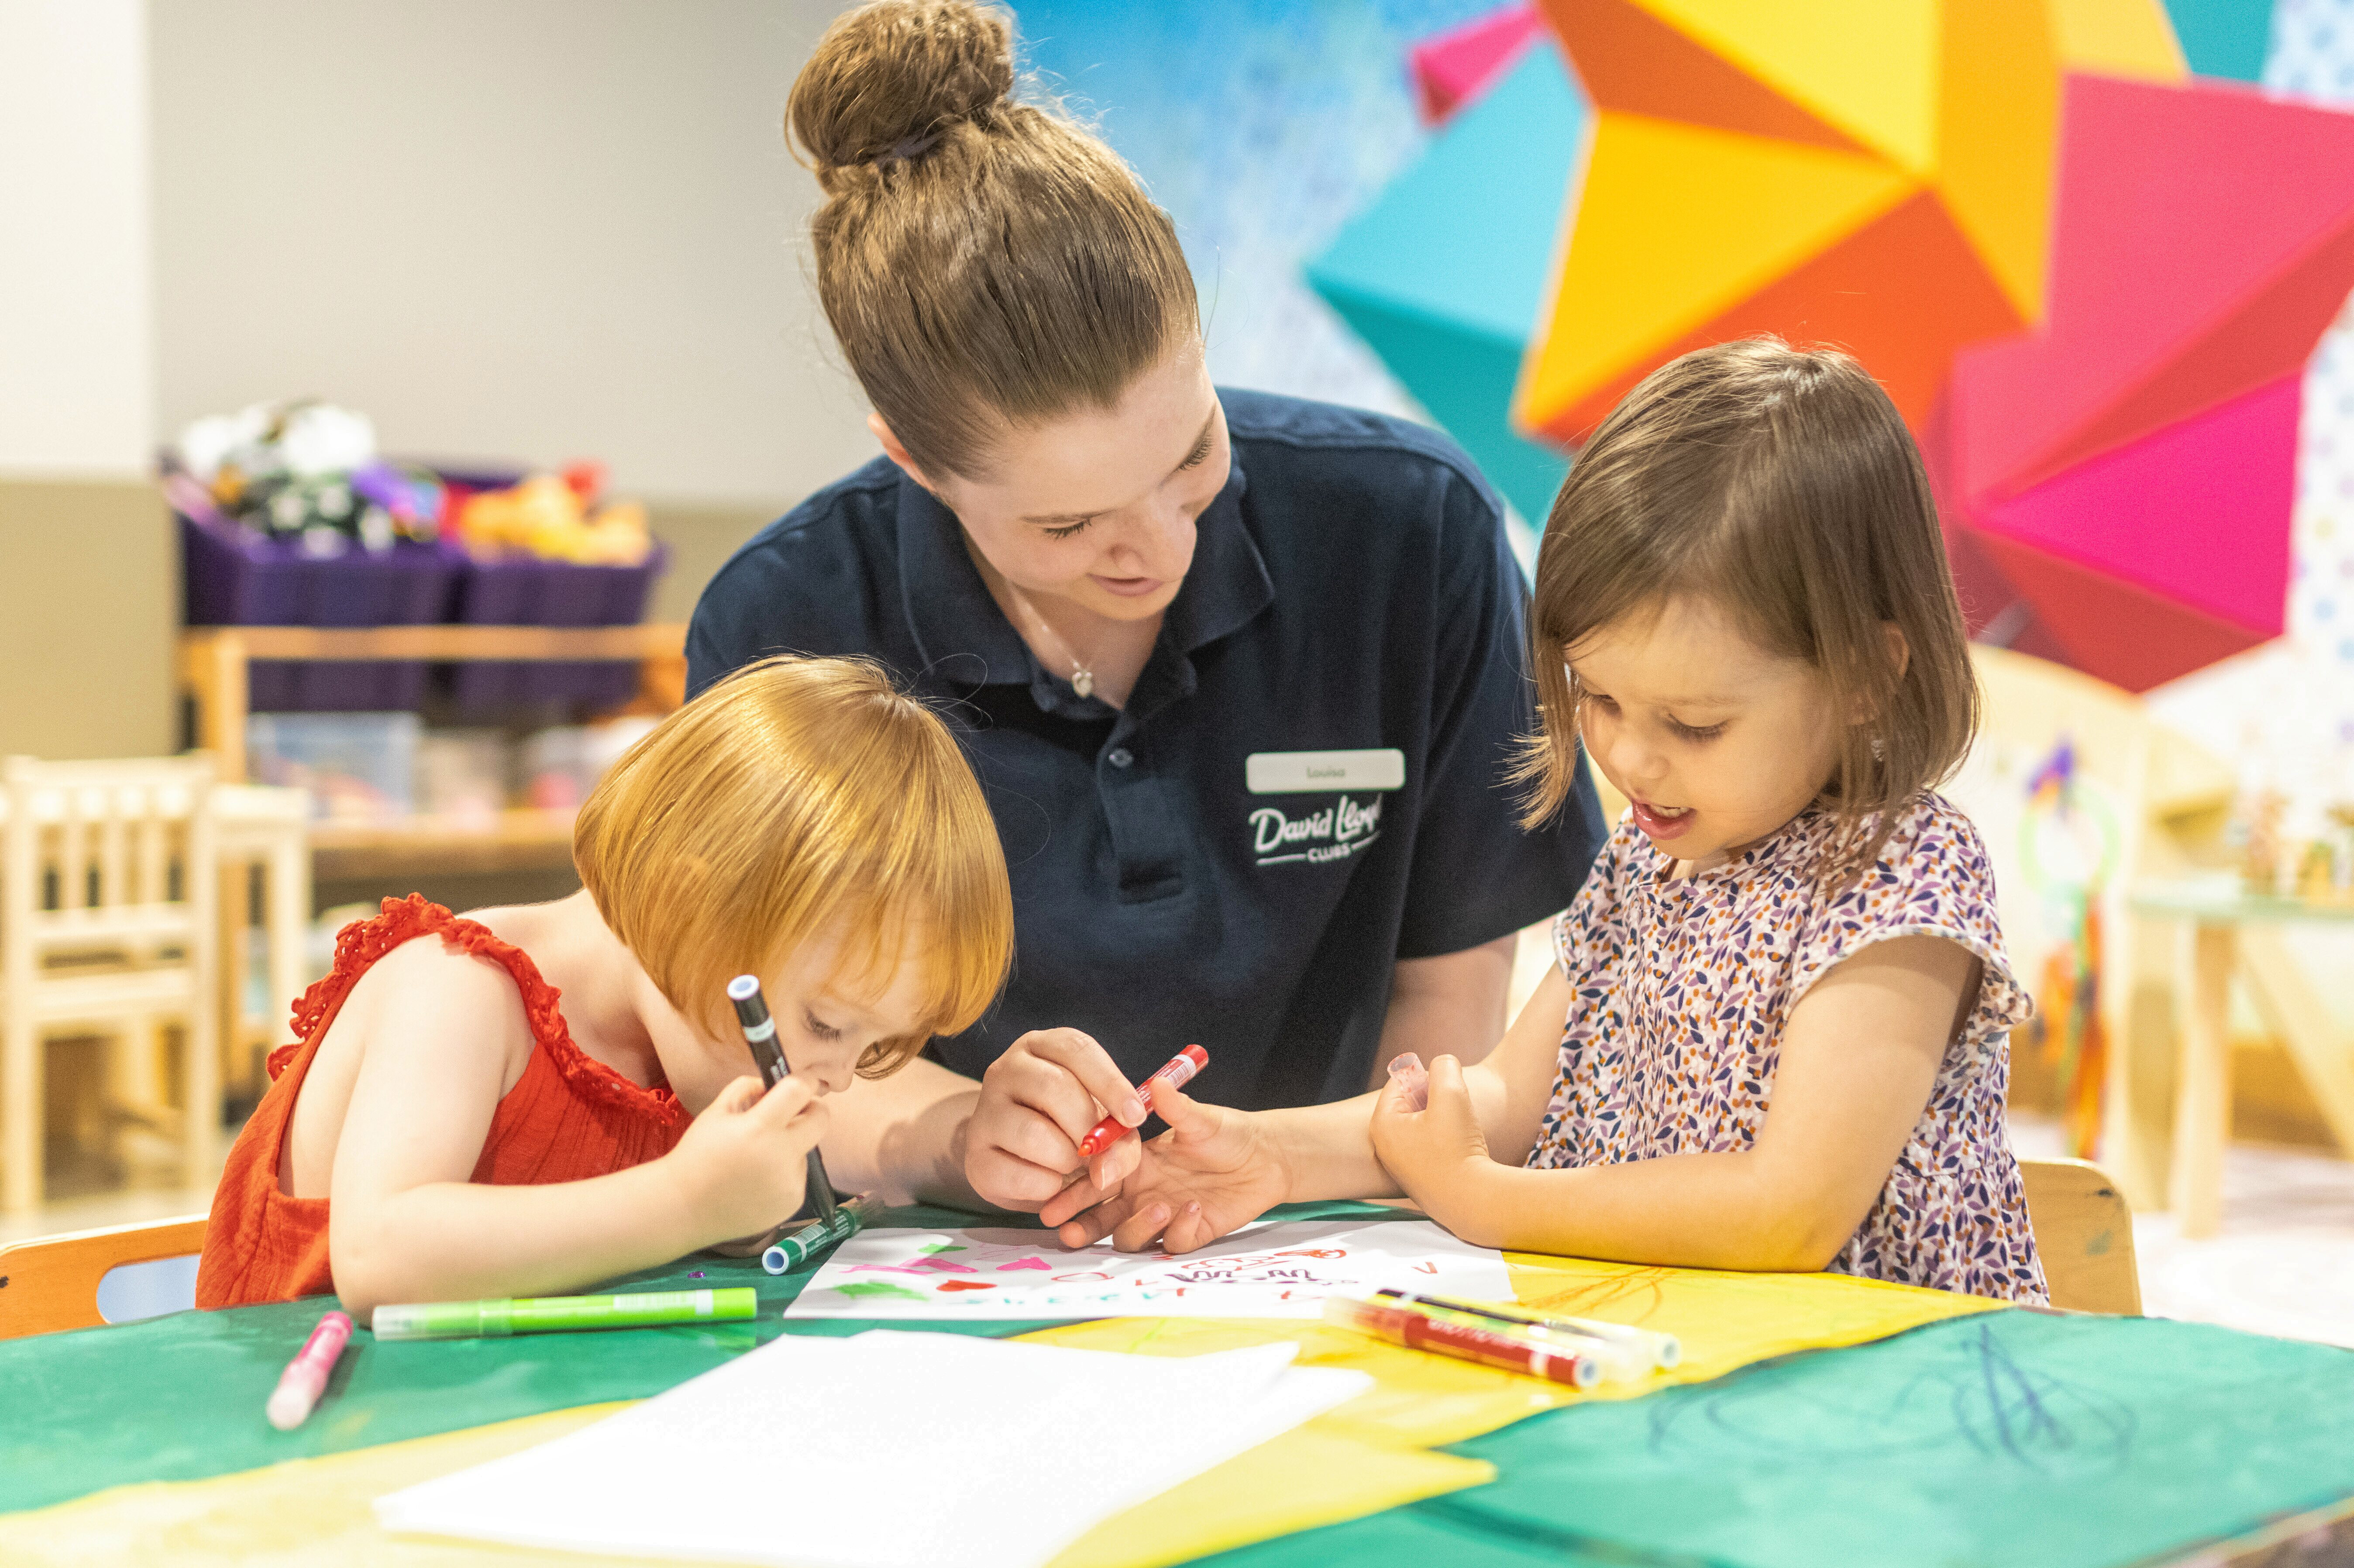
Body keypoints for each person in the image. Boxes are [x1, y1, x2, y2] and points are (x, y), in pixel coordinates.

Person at [688, 0, 1604, 1217]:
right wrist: (946, 1136)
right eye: (1067, 526)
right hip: (943, 1278)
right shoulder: (785, 617)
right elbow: (737, 1055)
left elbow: (1457, 969)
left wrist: (1322, 1177)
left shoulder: (1408, 532)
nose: (1159, 547)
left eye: (1191, 454)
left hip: (1320, 1243)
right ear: (912, 459)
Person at [1034, 340, 2050, 1303]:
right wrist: (1271, 1151)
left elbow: (1786, 1212)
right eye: (1597, 699)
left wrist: (1484, 1201)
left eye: (1692, 725)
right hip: (1681, 1361)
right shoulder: (1650, 863)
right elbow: (1504, 1102)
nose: (1629, 757)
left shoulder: (1900, 874)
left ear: (1868, 674)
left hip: (1882, 1399)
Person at [195, 657, 1013, 1313]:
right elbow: (381, 1254)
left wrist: (731, 1214)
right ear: (688, 907)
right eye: (827, 1025)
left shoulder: (685, 1046)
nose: (835, 1076)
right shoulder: (459, 989)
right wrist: (684, 1203)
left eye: (877, 1047)